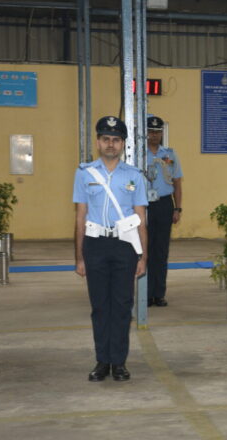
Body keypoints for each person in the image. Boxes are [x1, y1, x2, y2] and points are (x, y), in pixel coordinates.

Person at [73, 116, 148, 381]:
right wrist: (79, 257)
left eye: (116, 140)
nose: (110, 144)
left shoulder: (134, 176)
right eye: (106, 139)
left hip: (125, 246)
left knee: (122, 305)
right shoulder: (84, 173)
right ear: (98, 142)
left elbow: (140, 218)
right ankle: (102, 362)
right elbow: (80, 216)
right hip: (95, 245)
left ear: (123, 144)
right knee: (100, 307)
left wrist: (143, 257)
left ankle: (119, 363)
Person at [144, 115, 183, 307]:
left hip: (164, 204)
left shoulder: (169, 155)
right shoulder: (137, 154)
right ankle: (144, 292)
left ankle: (158, 293)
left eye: (157, 132)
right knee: (144, 250)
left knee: (161, 251)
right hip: (143, 206)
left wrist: (177, 208)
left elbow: (177, 183)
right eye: (151, 131)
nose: (154, 135)